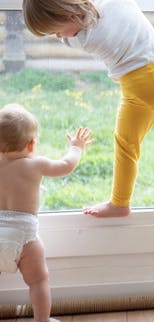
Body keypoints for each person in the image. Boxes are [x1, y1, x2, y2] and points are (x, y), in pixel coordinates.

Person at [21, 0, 154, 218]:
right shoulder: (116, 1)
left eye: (57, 32)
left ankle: (120, 203)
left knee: (126, 144)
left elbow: (72, 37)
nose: (59, 37)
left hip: (142, 88)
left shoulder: (88, 39)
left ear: (69, 16)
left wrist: (65, 32)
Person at [0, 103, 93, 322]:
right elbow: (66, 165)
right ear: (31, 144)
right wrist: (76, 147)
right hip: (24, 235)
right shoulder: (35, 165)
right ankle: (42, 320)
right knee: (38, 281)